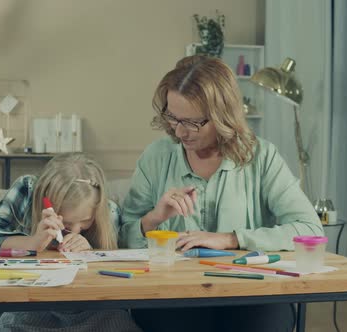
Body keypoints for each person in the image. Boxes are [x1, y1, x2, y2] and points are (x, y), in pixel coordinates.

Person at [119, 55, 324, 332]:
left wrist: (231, 239)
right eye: (173, 118)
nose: (180, 132)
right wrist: (154, 219)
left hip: (251, 292)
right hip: (173, 292)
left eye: (192, 123)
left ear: (222, 116)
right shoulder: (156, 157)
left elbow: (309, 228)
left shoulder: (261, 156)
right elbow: (121, 234)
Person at [0, 153, 142, 332]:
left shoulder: (109, 210)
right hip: (29, 306)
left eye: (86, 221)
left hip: (91, 310)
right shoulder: (28, 189)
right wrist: (32, 242)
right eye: (66, 224)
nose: (75, 230)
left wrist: (91, 252)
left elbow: (115, 276)